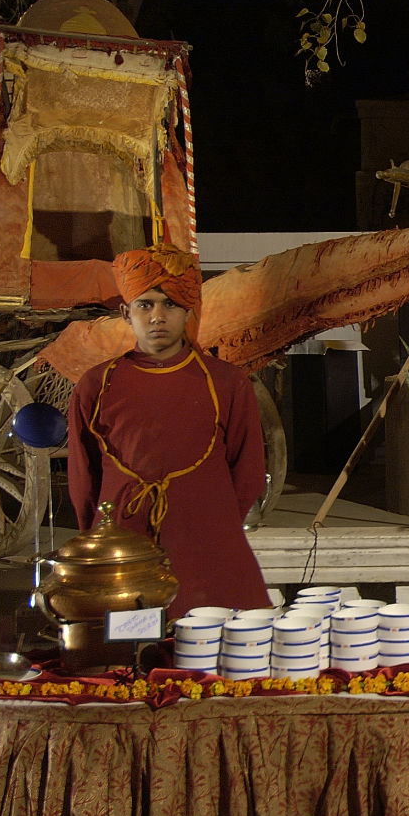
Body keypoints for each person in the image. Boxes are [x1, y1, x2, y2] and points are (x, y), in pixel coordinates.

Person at [67, 244, 270, 617]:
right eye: (146, 305)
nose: (158, 316)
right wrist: (100, 535)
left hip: (210, 545)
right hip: (123, 547)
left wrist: (212, 519)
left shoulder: (226, 382)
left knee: (224, 660)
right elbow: (84, 479)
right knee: (125, 661)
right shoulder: (95, 384)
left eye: (170, 304)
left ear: (189, 310)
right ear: (126, 313)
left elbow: (249, 472)